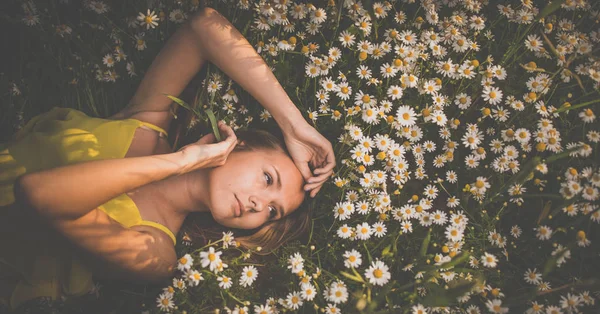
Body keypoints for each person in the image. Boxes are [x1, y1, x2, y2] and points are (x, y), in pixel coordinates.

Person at [0, 7, 335, 310]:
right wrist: (293, 125)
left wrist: (183, 162)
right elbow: (204, 26)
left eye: (271, 211)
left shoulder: (157, 253)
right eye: (267, 179)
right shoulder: (149, 121)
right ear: (240, 144)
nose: (256, 205)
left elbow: (37, 193)